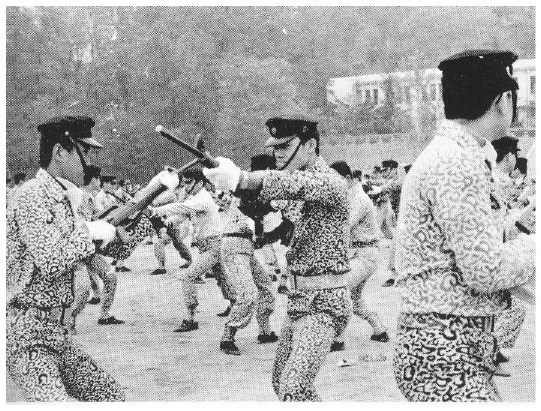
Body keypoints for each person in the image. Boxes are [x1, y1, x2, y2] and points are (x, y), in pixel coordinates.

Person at [393, 50, 535, 402]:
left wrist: (515, 231)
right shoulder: (457, 162)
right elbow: (485, 271)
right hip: (444, 350)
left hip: (451, 344)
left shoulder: (458, 154)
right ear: (503, 100)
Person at [203, 115, 351, 401]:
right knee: (281, 383)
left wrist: (241, 178)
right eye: (275, 147)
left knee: (294, 388)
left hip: (325, 304)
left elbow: (290, 185)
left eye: (285, 146)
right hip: (299, 302)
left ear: (310, 145)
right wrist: (232, 183)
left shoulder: (330, 181)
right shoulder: (299, 184)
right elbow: (268, 211)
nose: (278, 153)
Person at [6, 115, 125, 401]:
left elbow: (96, 251)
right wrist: (89, 231)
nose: (89, 161)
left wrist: (138, 214)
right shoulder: (32, 195)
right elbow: (50, 260)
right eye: (84, 152)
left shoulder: (67, 197)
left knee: (111, 398)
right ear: (59, 151)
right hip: (27, 334)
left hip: (56, 332)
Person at [152, 165, 225, 333]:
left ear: (200, 183)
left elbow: (181, 208)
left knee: (188, 277)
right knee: (223, 279)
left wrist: (156, 210)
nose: (186, 186)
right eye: (184, 182)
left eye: (189, 182)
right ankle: (235, 304)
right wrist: (166, 222)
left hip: (213, 246)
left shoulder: (203, 198)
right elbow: (181, 216)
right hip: (207, 246)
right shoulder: (195, 197)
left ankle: (191, 319)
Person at [329, 161, 388, 352]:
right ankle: (379, 330)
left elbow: (344, 225)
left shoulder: (359, 199)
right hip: (360, 254)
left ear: (347, 178)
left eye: (336, 180)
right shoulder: (350, 195)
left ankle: (338, 338)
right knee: (355, 299)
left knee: (340, 289)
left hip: (365, 254)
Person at [218, 194, 278, 355]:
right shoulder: (245, 192)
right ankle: (227, 337)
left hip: (245, 247)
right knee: (247, 294)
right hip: (234, 245)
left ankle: (265, 331)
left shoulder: (257, 195)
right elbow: (252, 218)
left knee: (266, 286)